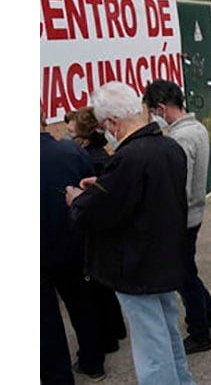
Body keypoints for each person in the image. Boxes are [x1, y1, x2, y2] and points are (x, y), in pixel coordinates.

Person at [66, 81, 194, 385]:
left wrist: (77, 200)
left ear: (112, 122)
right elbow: (140, 196)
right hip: (164, 259)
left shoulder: (130, 156)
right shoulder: (168, 146)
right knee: (167, 336)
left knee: (151, 351)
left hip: (137, 268)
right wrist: (99, 185)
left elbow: (99, 212)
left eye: (102, 125)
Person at [142, 80, 211, 355]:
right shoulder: (195, 127)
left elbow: (180, 185)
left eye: (153, 111)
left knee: (183, 277)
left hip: (182, 218)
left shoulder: (181, 138)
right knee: (189, 271)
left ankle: (199, 333)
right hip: (193, 213)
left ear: (162, 108)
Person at [42, 112, 107, 384]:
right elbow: (91, 188)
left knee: (45, 319)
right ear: (44, 117)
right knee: (82, 304)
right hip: (72, 243)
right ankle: (94, 362)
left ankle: (58, 376)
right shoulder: (71, 150)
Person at [66, 107, 127, 354]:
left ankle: (109, 338)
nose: (67, 136)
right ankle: (117, 329)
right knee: (103, 287)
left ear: (84, 136)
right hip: (104, 229)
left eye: (71, 131)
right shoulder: (98, 154)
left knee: (97, 287)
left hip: (98, 228)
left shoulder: (92, 159)